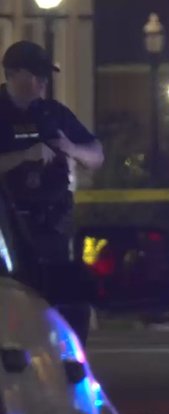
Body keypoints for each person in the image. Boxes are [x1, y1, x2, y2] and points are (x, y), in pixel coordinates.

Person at [0, 41, 104, 340]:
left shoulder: (53, 113)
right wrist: (24, 156)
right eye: (36, 74)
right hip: (9, 231)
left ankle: (66, 364)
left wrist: (72, 149)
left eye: (46, 75)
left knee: (68, 301)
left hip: (53, 227)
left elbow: (96, 154)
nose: (43, 81)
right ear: (13, 74)